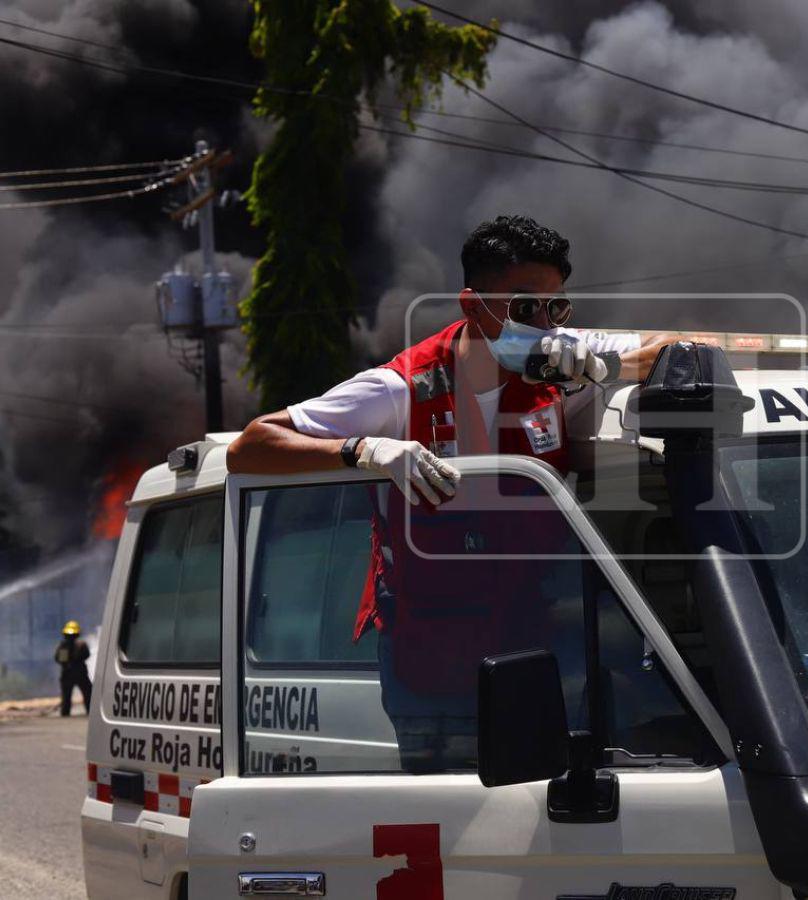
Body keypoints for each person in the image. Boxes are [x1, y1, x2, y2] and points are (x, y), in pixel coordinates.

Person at [228, 215, 670, 769]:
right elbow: (250, 446)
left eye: (556, 307)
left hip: (538, 642)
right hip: (431, 663)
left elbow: (679, 348)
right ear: (470, 305)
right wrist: (364, 451)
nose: (543, 324)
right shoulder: (398, 390)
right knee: (446, 818)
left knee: (555, 811)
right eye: (524, 307)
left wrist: (608, 364)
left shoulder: (563, 357)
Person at [55, 621, 91, 716]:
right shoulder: (64, 646)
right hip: (70, 674)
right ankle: (65, 713)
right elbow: (60, 660)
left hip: (78, 674)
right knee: (66, 697)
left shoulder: (80, 645)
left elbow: (86, 655)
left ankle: (91, 712)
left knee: (88, 694)